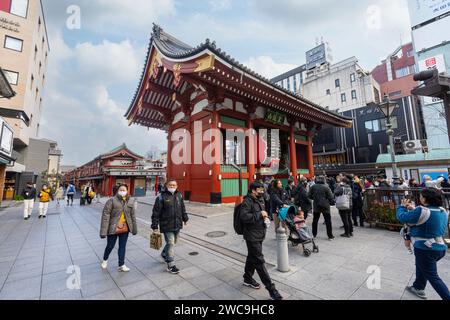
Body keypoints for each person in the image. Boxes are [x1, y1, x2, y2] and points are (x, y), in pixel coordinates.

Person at [397, 188, 450, 300]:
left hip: (425, 249)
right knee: (421, 266)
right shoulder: (442, 210)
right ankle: (418, 287)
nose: (420, 198)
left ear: (425, 199)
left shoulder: (421, 210)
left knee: (433, 276)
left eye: (421, 196)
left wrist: (401, 207)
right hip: (440, 247)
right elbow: (429, 216)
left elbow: (402, 217)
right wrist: (414, 209)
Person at [240, 181, 283, 300]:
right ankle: (272, 290)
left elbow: (264, 209)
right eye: (260, 189)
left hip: (259, 233)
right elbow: (244, 217)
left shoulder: (260, 199)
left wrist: (265, 217)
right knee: (259, 261)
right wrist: (260, 214)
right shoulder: (247, 201)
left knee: (252, 256)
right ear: (253, 190)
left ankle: (247, 278)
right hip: (251, 236)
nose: (262, 191)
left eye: (263, 189)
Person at [151, 179, 188, 274]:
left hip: (177, 224)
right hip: (166, 224)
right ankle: (171, 265)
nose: (172, 187)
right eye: (170, 185)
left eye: (174, 185)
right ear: (166, 185)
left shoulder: (179, 195)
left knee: (174, 242)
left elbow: (182, 207)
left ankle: (164, 254)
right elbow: (156, 213)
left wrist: (185, 217)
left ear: (177, 186)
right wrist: (155, 226)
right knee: (171, 243)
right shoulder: (161, 197)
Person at [100, 184, 138, 272]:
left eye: (124, 190)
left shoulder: (130, 201)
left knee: (122, 247)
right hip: (113, 228)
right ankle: (105, 260)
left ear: (127, 191)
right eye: (121, 190)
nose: (122, 191)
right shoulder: (111, 201)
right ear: (117, 191)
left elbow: (133, 216)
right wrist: (103, 232)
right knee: (110, 246)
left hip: (125, 228)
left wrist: (134, 229)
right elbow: (105, 217)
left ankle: (121, 264)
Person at [308, 176, 335, 240]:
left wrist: (314, 198)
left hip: (316, 205)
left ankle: (314, 234)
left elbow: (309, 195)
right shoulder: (326, 187)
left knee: (315, 220)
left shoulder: (313, 187)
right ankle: (330, 236)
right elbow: (331, 197)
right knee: (328, 221)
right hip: (325, 206)